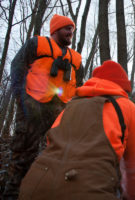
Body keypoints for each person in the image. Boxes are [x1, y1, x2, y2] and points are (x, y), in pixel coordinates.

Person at [18, 60, 135, 200]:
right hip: (89, 189)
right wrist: (132, 195)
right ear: (122, 86)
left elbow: (51, 142)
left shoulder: (69, 107)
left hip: (35, 184)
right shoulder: (128, 107)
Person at [4, 14, 83, 199]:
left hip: (61, 111)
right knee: (23, 155)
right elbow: (17, 67)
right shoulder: (36, 44)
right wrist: (21, 98)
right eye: (66, 28)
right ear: (55, 30)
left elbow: (79, 84)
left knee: (59, 154)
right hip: (32, 108)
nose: (70, 31)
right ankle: (12, 193)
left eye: (72, 28)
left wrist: (74, 108)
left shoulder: (76, 58)